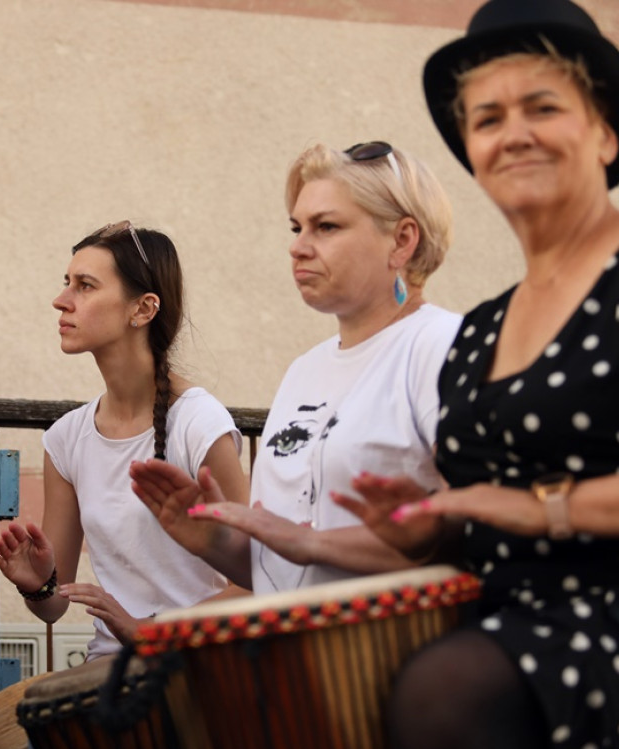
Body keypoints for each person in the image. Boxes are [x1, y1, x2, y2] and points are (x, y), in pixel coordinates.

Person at [333, 1, 619, 749]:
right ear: (472, 148)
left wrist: (541, 509)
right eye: (489, 117)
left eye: (543, 106)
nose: (515, 132)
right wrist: (431, 527)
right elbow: (482, 509)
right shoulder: (481, 331)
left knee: (445, 691)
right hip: (493, 621)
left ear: (603, 132)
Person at [131, 142, 462, 593]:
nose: (298, 247)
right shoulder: (304, 370)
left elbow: (479, 535)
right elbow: (280, 569)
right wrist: (213, 541)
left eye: (326, 227)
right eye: (296, 227)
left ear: (402, 240)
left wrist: (311, 542)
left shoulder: (443, 347)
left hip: (397, 654)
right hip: (293, 654)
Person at [0, 221, 249, 661]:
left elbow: (255, 583)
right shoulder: (67, 438)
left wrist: (152, 632)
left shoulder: (199, 424)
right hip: (111, 669)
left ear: (143, 309)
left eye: (85, 286)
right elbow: (54, 606)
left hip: (198, 666)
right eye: (67, 283)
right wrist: (38, 585)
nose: (61, 300)